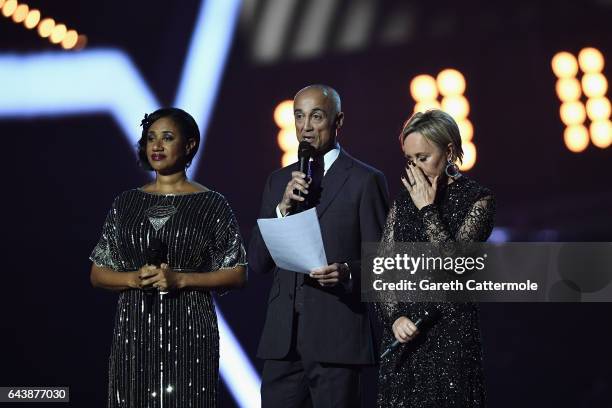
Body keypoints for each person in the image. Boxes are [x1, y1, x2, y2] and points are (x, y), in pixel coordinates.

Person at [89, 107, 247, 408]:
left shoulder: (212, 204)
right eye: (151, 138)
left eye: (167, 137)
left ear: (189, 145)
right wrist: (133, 279)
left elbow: (238, 273)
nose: (157, 146)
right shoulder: (125, 203)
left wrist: (181, 279)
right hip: (134, 331)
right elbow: (98, 272)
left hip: (190, 331)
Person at [249, 84, 389, 407]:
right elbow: (257, 261)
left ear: (338, 121)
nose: (306, 127)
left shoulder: (364, 180)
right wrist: (282, 207)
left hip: (336, 341)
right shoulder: (277, 182)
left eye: (316, 116)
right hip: (282, 345)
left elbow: (386, 265)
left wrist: (346, 273)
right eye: (299, 116)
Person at [376, 109, 495, 407]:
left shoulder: (478, 200)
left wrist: (428, 210)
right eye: (409, 160)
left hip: (451, 340)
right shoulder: (403, 204)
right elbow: (383, 270)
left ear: (449, 151)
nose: (415, 169)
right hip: (406, 342)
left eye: (423, 158)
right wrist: (395, 318)